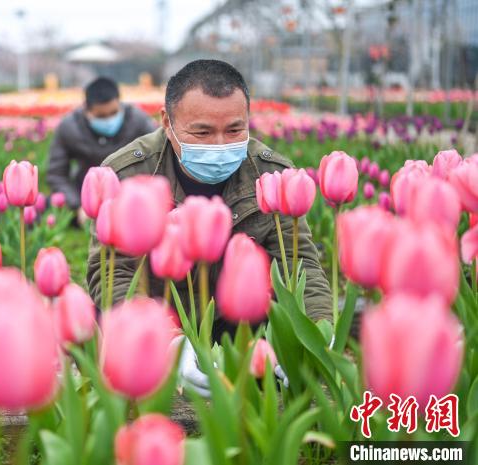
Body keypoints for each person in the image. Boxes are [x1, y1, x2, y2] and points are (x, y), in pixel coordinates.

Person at [85, 59, 332, 395]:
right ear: (167, 123)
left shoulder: (270, 174)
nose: (219, 145)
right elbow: (113, 274)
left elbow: (300, 260)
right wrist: (170, 343)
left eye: (234, 129)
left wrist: (317, 333)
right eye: (201, 131)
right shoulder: (129, 175)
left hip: (243, 329)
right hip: (161, 323)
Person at [46, 77, 156, 220]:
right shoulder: (69, 127)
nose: (109, 120)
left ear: (119, 102)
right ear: (86, 109)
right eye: (101, 116)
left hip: (131, 196)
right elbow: (56, 174)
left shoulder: (138, 121)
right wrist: (77, 205)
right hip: (87, 198)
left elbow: (159, 158)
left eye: (114, 113)